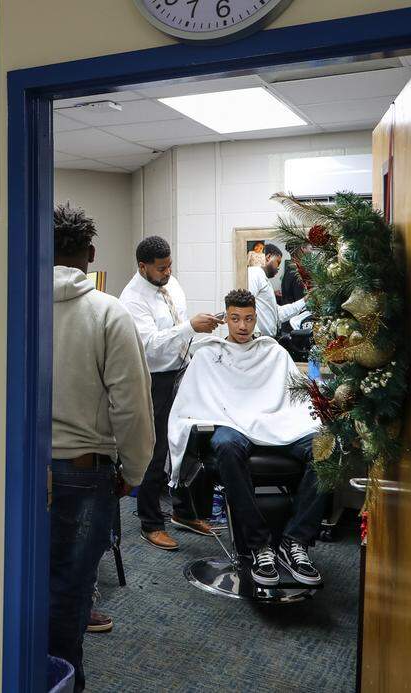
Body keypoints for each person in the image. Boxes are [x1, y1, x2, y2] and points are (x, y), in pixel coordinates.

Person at [51, 203, 153, 692]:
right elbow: (131, 407)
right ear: (90, 255)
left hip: (15, 472)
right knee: (69, 593)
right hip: (82, 473)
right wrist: (134, 472)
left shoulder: (9, 306)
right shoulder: (108, 312)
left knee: (14, 586)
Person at [167, 289, 327, 587]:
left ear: (256, 318)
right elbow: (189, 405)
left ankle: (295, 541)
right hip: (232, 425)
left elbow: (296, 398)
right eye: (235, 318)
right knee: (226, 445)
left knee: (323, 448)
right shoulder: (208, 354)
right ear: (225, 318)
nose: (242, 326)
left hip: (276, 423)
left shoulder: (273, 352)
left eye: (249, 319)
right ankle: (259, 544)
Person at [118, 236, 220, 550]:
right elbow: (150, 344)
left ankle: (184, 512)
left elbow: (177, 330)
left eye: (169, 265)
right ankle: (150, 523)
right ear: (142, 267)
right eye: (161, 268)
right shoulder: (132, 299)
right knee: (156, 450)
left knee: (188, 444)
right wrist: (190, 327)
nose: (168, 272)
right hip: (154, 380)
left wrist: (199, 334)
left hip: (182, 371)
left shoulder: (171, 285)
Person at [248, 244, 306, 338]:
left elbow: (278, 313)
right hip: (258, 340)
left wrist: (304, 301)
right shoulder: (254, 273)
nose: (278, 268)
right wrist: (256, 334)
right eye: (277, 262)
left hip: (266, 339)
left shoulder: (263, 278)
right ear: (268, 257)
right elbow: (246, 306)